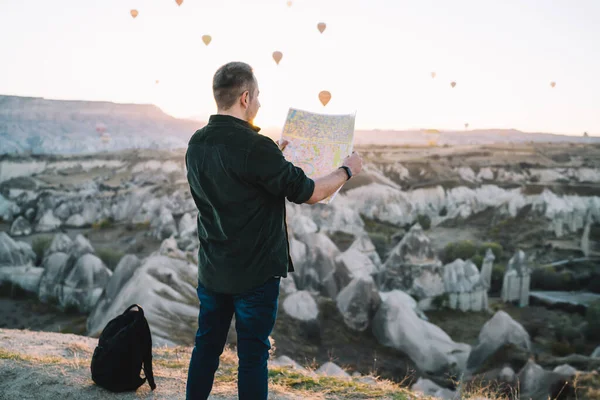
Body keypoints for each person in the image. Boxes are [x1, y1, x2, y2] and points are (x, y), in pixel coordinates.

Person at [185, 61, 363, 400]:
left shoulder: (197, 143)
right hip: (254, 274)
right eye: (258, 96)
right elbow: (310, 192)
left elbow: (232, 180)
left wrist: (274, 158)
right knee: (252, 356)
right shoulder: (256, 147)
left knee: (206, 347)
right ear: (245, 97)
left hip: (213, 268)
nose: (260, 104)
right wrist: (346, 170)